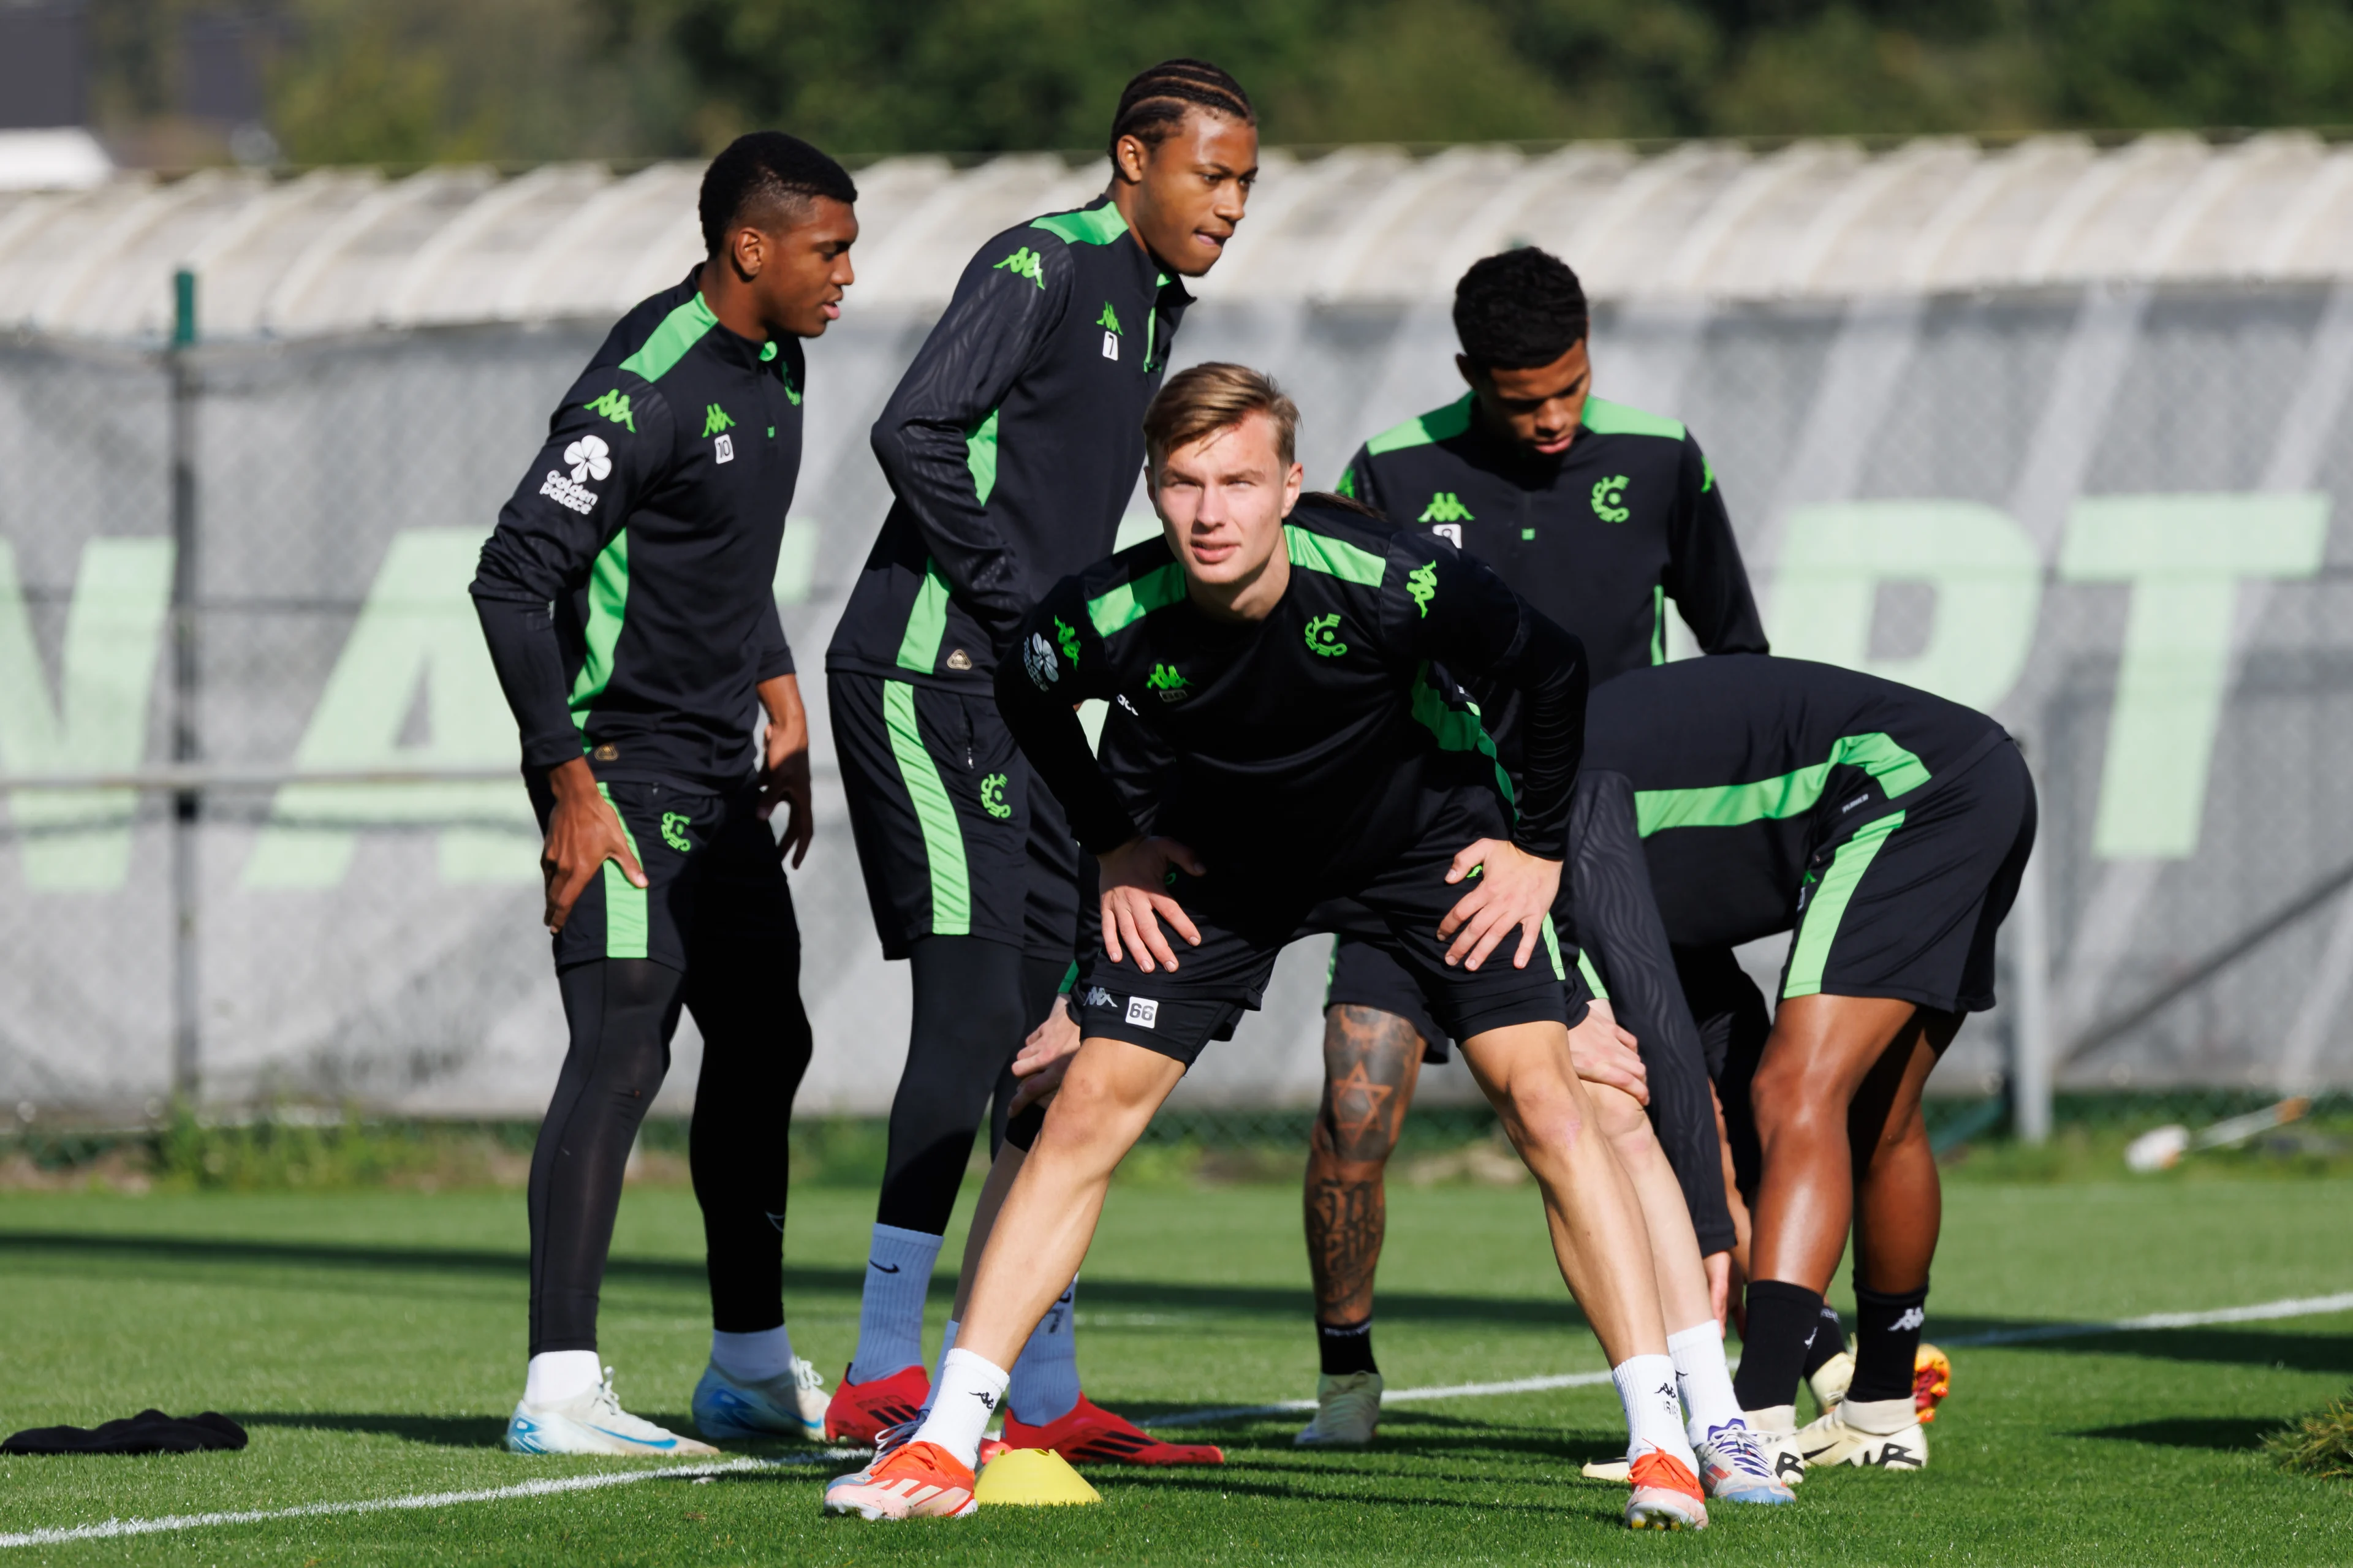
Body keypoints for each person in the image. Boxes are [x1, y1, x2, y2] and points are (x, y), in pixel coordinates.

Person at [825, 363, 1712, 1531]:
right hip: (1219, 874)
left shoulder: (1396, 577)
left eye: (1239, 481)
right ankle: (944, 1444)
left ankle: (1662, 1446)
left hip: (1424, 848)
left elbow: (1548, 669)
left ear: (1290, 485)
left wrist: (1537, 852)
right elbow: (1028, 695)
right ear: (1152, 489)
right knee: (1082, 1104)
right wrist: (1114, 847)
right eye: (1184, 482)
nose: (1210, 511)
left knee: (1548, 1103)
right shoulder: (1108, 612)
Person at [817, 58, 1256, 1464]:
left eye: (1248, 180)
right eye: (1215, 173)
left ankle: (1043, 1391)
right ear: (1133, 158)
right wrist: (1022, 610)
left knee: (1059, 1034)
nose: (1234, 204)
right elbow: (913, 427)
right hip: (926, 675)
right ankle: (883, 1369)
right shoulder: (1045, 258)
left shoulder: (1148, 296)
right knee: (971, 1021)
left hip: (1013, 698)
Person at [1297, 245, 1767, 1446]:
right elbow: (1335, 665)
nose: (1554, 419)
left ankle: (1740, 1371)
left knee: (1684, 1108)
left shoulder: (1661, 458)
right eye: (1523, 401)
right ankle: (1346, 1377)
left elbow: (1743, 668)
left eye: (1571, 388)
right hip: (1432, 847)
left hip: (1606, 849)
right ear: (1470, 374)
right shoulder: (1392, 473)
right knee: (1359, 1101)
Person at [470, 134, 857, 1455]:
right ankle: (559, 1388)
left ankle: (745, 1367)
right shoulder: (644, 384)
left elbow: (716, 552)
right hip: (621, 768)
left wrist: (778, 685)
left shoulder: (780, 361)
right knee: (625, 1044)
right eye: (829, 251)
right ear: (751, 249)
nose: (845, 277)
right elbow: (510, 579)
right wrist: (566, 783)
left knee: (767, 1043)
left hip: (721, 773)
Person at [1577, 654, 2034, 1475]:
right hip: (1974, 776)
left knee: (1795, 1088)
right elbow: (1701, 1023)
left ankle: (1755, 1422)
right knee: (1880, 1115)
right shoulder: (1561, 792)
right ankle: (1883, 1413)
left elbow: (1683, 1054)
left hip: (1914, 788)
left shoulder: (1551, 802)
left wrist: (1714, 1227)